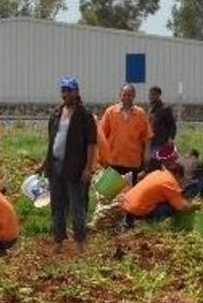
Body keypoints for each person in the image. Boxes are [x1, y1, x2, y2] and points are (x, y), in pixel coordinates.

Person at [39, 76, 97, 253]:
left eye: (69, 90)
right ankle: (58, 240)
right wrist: (44, 163)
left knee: (76, 205)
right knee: (57, 205)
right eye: (63, 90)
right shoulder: (56, 113)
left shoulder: (84, 115)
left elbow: (91, 143)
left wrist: (88, 168)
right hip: (56, 165)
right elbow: (52, 142)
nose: (65, 94)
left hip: (75, 167)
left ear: (77, 92)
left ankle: (79, 242)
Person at [98, 84, 152, 184]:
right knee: (112, 191)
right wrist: (101, 156)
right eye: (124, 95)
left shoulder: (140, 114)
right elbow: (101, 135)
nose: (126, 97)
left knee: (130, 191)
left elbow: (147, 136)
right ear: (120, 95)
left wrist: (146, 155)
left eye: (129, 95)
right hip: (113, 161)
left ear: (134, 96)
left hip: (132, 162)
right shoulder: (111, 112)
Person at [119, 161, 194, 223]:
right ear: (177, 174)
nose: (179, 182)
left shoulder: (157, 173)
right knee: (170, 208)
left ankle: (131, 218)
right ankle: (148, 222)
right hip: (137, 210)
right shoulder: (171, 182)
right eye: (180, 179)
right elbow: (180, 206)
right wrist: (193, 206)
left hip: (126, 204)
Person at [147, 86, 177, 164]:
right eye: (150, 94)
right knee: (152, 163)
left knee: (160, 163)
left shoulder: (165, 108)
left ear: (159, 95)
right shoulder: (150, 109)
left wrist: (171, 138)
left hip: (161, 142)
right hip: (151, 142)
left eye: (153, 94)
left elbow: (172, 125)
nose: (151, 97)